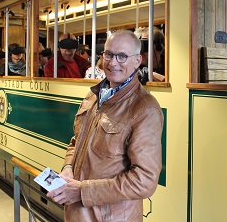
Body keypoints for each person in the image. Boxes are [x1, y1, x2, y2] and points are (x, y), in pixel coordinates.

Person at [47, 30, 164, 222]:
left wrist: (82, 192)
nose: (112, 62)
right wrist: (68, 167)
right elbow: (77, 141)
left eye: (122, 56)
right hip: (78, 214)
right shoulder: (93, 95)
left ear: (137, 60)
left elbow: (145, 181)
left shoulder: (145, 109)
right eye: (108, 54)